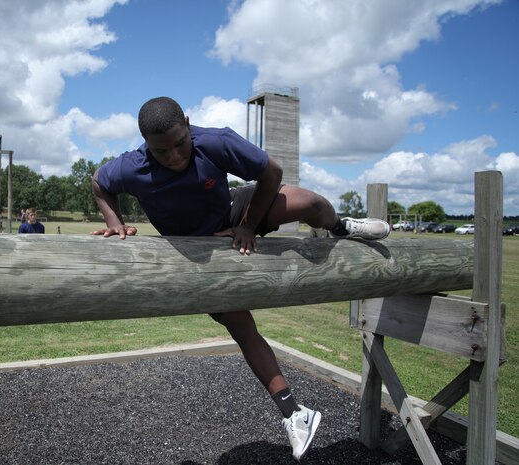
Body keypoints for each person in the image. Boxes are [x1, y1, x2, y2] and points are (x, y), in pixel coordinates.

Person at [91, 97, 390, 461]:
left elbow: (272, 173)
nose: (173, 156)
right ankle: (296, 414)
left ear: (188, 123)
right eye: (161, 151)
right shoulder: (132, 167)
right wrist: (114, 222)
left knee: (309, 203)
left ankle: (342, 226)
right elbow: (99, 182)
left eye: (180, 143)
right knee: (243, 328)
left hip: (235, 212)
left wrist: (247, 225)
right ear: (144, 143)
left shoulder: (215, 141)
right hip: (198, 250)